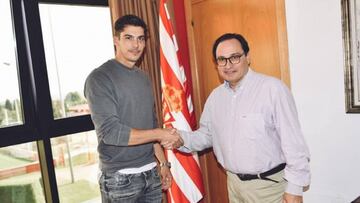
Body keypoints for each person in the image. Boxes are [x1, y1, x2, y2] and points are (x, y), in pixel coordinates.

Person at [163, 33, 310, 203]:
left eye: (234, 57)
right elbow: (207, 135)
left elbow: (294, 145)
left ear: (248, 57)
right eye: (222, 59)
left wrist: (295, 190)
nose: (228, 65)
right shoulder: (216, 97)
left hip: (270, 188)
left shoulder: (272, 89)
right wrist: (180, 139)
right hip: (234, 186)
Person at [84, 14, 180, 203]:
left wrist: (163, 164)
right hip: (120, 179)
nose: (136, 45)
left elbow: (150, 125)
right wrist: (161, 133)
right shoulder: (99, 78)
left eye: (141, 39)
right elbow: (111, 133)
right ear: (116, 40)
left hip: (151, 173)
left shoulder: (144, 77)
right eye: (129, 38)